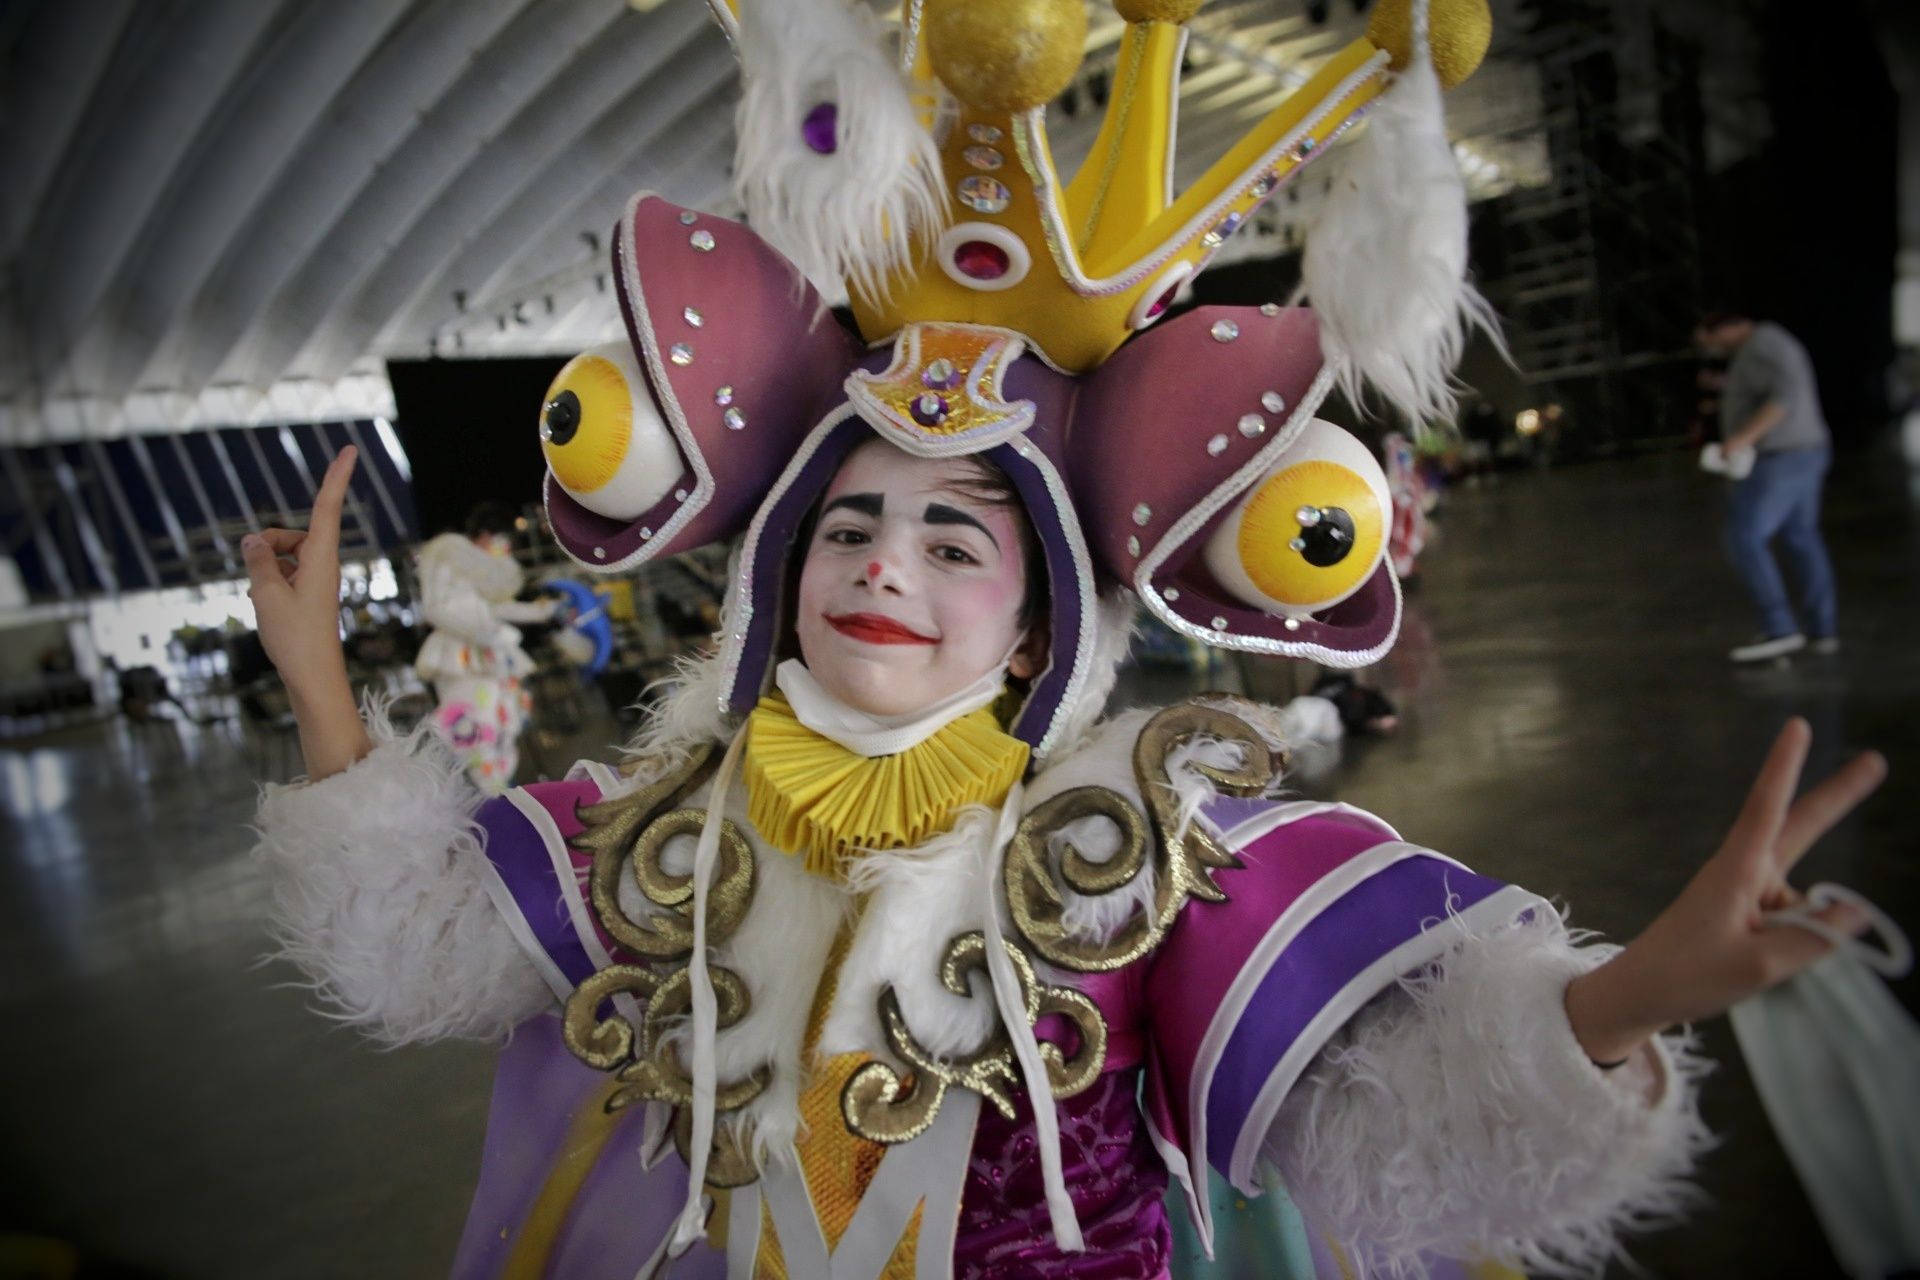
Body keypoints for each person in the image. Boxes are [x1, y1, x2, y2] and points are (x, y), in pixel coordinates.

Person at [241, 2, 1885, 1276]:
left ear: (1043, 623)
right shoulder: (666, 829)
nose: (886, 560)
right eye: (850, 522)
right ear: (777, 571)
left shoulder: (1138, 855)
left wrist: (1631, 997)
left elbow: (1385, 1094)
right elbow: (424, 938)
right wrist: (319, 683)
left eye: (955, 535)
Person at [1695, 309, 1840, 663]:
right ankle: (1822, 629)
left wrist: (1741, 439)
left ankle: (1780, 627)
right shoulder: (1763, 348)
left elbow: (1784, 398)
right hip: (1803, 452)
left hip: (1782, 459)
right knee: (1800, 537)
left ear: (1728, 328)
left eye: (1711, 341)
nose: (1711, 349)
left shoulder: (1765, 344)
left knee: (1744, 536)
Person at [411, 501, 555, 793]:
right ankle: (492, 793)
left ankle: (501, 788)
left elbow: (498, 608)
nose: (501, 548)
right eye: (499, 540)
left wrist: (544, 611)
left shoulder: (476, 571)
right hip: (460, 655)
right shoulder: (449, 555)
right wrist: (482, 632)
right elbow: (436, 608)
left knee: (504, 717)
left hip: (489, 652)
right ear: (486, 534)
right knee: (476, 721)